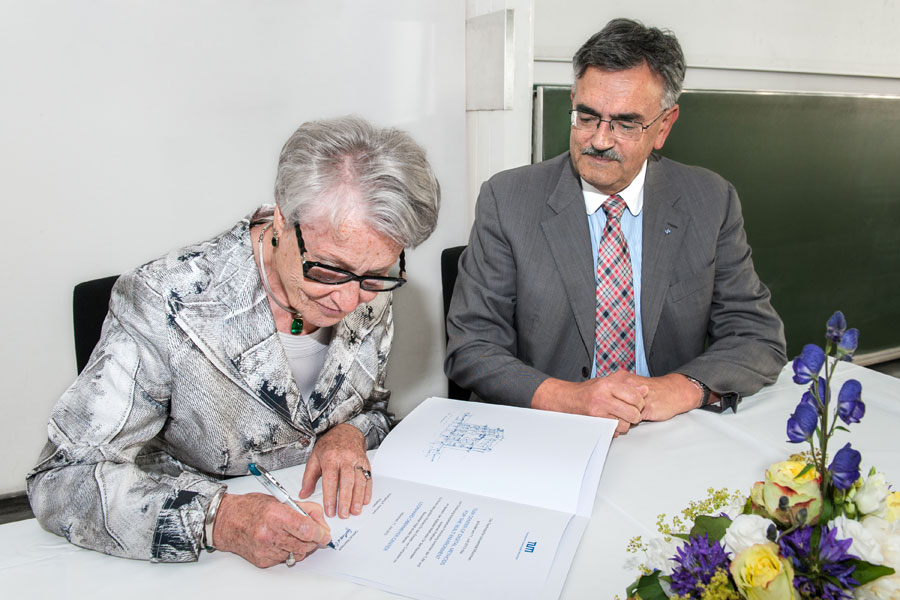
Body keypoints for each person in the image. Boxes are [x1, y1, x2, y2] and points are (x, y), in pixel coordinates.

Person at [27, 116, 441, 567]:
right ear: (282, 218)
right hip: (197, 566)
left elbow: (366, 406)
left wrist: (348, 432)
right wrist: (216, 518)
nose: (347, 299)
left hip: (334, 544)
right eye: (328, 269)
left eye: (374, 275)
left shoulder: (366, 287)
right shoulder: (168, 302)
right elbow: (63, 478)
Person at [445, 19, 786, 434]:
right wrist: (571, 398)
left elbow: (757, 337)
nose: (600, 140)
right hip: (552, 431)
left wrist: (678, 389)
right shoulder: (508, 199)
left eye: (625, 124)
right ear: (572, 102)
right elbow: (472, 347)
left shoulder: (709, 200)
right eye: (587, 117)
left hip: (669, 433)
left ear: (663, 126)